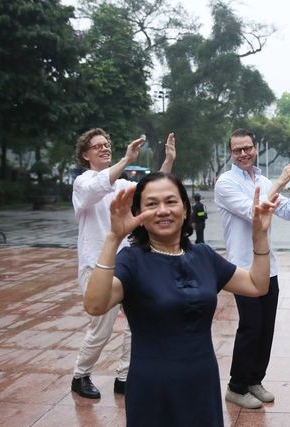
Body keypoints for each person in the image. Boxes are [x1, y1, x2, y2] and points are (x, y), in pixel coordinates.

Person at [83, 172, 279, 426]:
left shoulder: (204, 256)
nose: (163, 210)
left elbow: (257, 285)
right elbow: (95, 304)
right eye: (152, 204)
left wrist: (259, 236)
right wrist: (113, 239)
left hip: (202, 382)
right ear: (138, 214)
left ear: (185, 209)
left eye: (171, 202)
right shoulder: (131, 261)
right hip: (152, 387)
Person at [214, 128, 290, 409]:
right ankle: (236, 386)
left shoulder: (262, 180)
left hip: (268, 266)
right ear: (231, 153)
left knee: (266, 328)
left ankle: (254, 380)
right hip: (241, 267)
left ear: (255, 148)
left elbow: (289, 212)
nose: (243, 154)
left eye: (247, 148)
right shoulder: (225, 182)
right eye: (237, 150)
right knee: (250, 327)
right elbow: (256, 211)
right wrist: (281, 180)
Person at [71, 128, 175, 399]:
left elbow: (149, 189)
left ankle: (125, 377)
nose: (105, 149)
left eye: (107, 144)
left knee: (136, 323)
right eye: (97, 147)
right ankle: (80, 375)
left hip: (126, 264)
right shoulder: (83, 183)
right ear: (85, 155)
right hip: (95, 265)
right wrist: (126, 160)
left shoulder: (121, 185)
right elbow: (97, 188)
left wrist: (168, 161)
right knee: (101, 327)